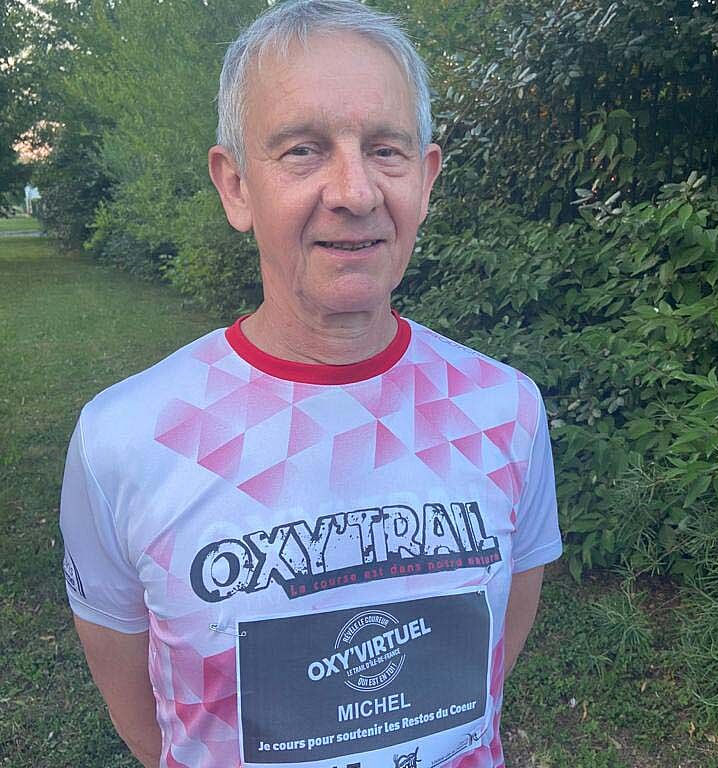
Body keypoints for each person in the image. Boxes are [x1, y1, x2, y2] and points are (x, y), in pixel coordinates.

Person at [59, 2, 562, 767]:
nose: (356, 191)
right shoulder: (123, 440)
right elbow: (139, 706)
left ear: (425, 180)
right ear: (236, 186)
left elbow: (493, 662)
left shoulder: (508, 410)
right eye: (303, 150)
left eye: (386, 150)